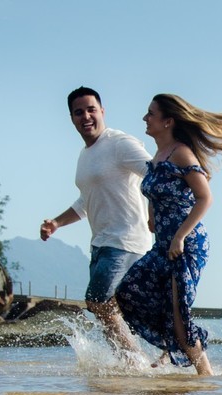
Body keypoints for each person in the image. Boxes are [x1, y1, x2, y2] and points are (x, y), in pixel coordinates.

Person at [115, 93, 222, 376]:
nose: (145, 118)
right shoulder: (158, 155)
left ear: (168, 121)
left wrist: (180, 236)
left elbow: (205, 198)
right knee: (128, 292)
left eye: (150, 114)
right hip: (163, 245)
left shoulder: (181, 153)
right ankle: (172, 345)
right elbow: (154, 189)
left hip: (186, 244)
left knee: (180, 319)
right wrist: (151, 214)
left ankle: (205, 376)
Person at [40, 87, 152, 354]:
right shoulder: (85, 155)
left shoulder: (119, 144)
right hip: (100, 245)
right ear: (71, 118)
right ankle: (143, 361)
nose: (86, 116)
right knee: (110, 306)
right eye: (79, 112)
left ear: (102, 111)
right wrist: (56, 223)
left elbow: (156, 175)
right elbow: (86, 202)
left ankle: (133, 361)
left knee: (98, 301)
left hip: (126, 241)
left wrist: (156, 214)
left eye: (91, 109)